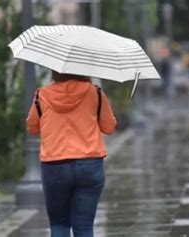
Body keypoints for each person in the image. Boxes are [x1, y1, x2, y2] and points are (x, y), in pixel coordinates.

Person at [26, 71, 117, 237]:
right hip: (90, 164)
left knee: (59, 224)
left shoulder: (42, 95)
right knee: (84, 226)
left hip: (54, 165)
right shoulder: (94, 93)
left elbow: (32, 128)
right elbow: (109, 127)